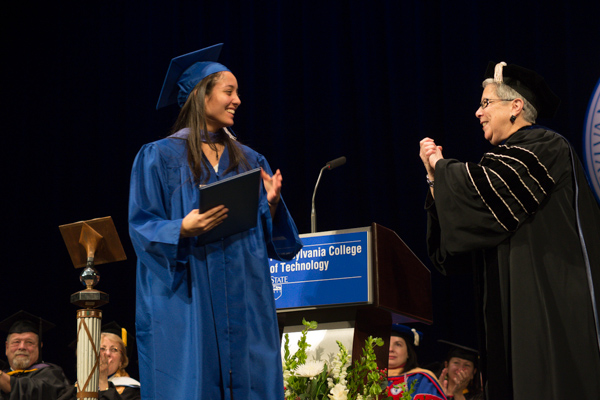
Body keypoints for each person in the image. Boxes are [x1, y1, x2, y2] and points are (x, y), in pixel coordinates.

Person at [128, 43, 303, 399]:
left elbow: (275, 239)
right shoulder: (159, 156)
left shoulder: (250, 160)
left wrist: (269, 206)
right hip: (188, 292)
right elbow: (141, 223)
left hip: (245, 292)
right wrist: (180, 228)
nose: (238, 100)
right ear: (200, 95)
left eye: (237, 92)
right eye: (229, 91)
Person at [420, 61, 600, 399]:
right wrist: (435, 180)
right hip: (512, 312)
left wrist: (441, 168)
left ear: (515, 106)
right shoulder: (503, 160)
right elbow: (463, 237)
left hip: (551, 307)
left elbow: (482, 191)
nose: (477, 112)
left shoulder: (546, 146)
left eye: (486, 103)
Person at [0, 310, 71, 400]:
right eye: (16, 342)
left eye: (29, 342)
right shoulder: (4, 374)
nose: (22, 347)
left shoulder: (51, 374)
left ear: (39, 347)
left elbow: (32, 391)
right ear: (7, 347)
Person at [386, 324, 447, 400]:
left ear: (408, 353)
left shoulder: (422, 379)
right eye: (386, 343)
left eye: (398, 344)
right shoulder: (368, 377)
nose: (390, 349)